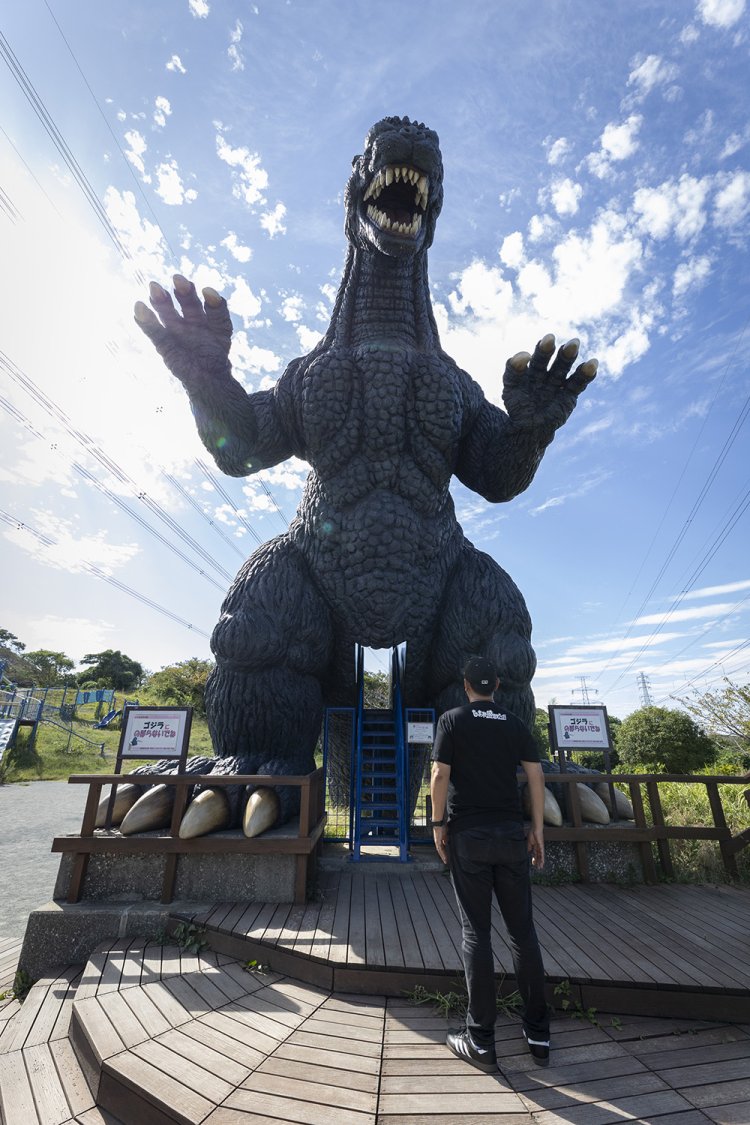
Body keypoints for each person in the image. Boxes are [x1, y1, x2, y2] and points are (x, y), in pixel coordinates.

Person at [430, 655, 550, 1072]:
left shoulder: (452, 720)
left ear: (466, 686)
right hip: (511, 837)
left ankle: (480, 1039)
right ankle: (538, 1033)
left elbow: (440, 775)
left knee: (476, 933)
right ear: (496, 685)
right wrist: (536, 828)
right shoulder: (515, 723)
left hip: (469, 837)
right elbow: (535, 776)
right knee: (523, 934)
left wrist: (436, 823)